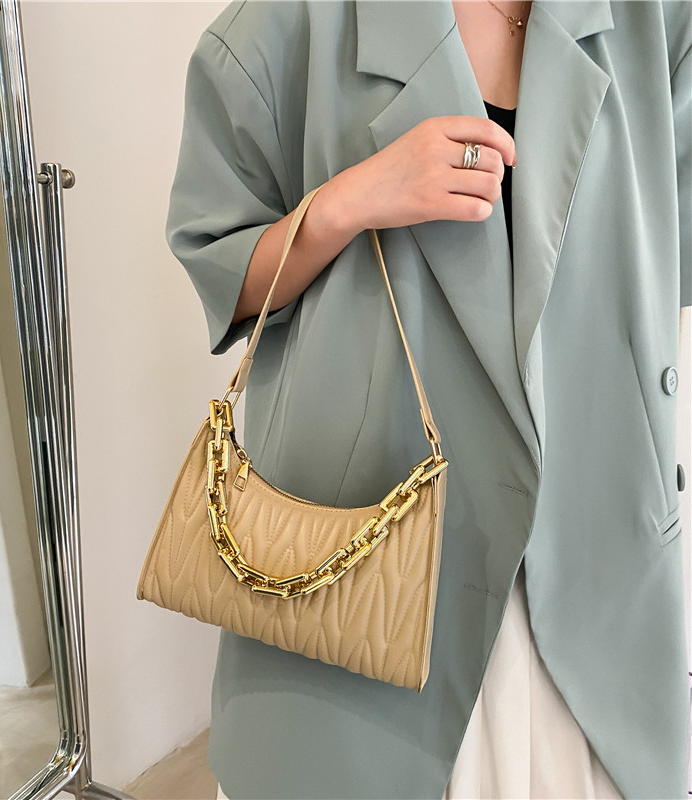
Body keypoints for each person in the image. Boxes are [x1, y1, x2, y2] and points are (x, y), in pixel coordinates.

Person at [165, 1, 692, 797]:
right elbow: (222, 268)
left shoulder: (656, 21)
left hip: (591, 568)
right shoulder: (287, 23)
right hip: (370, 573)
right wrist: (348, 201)